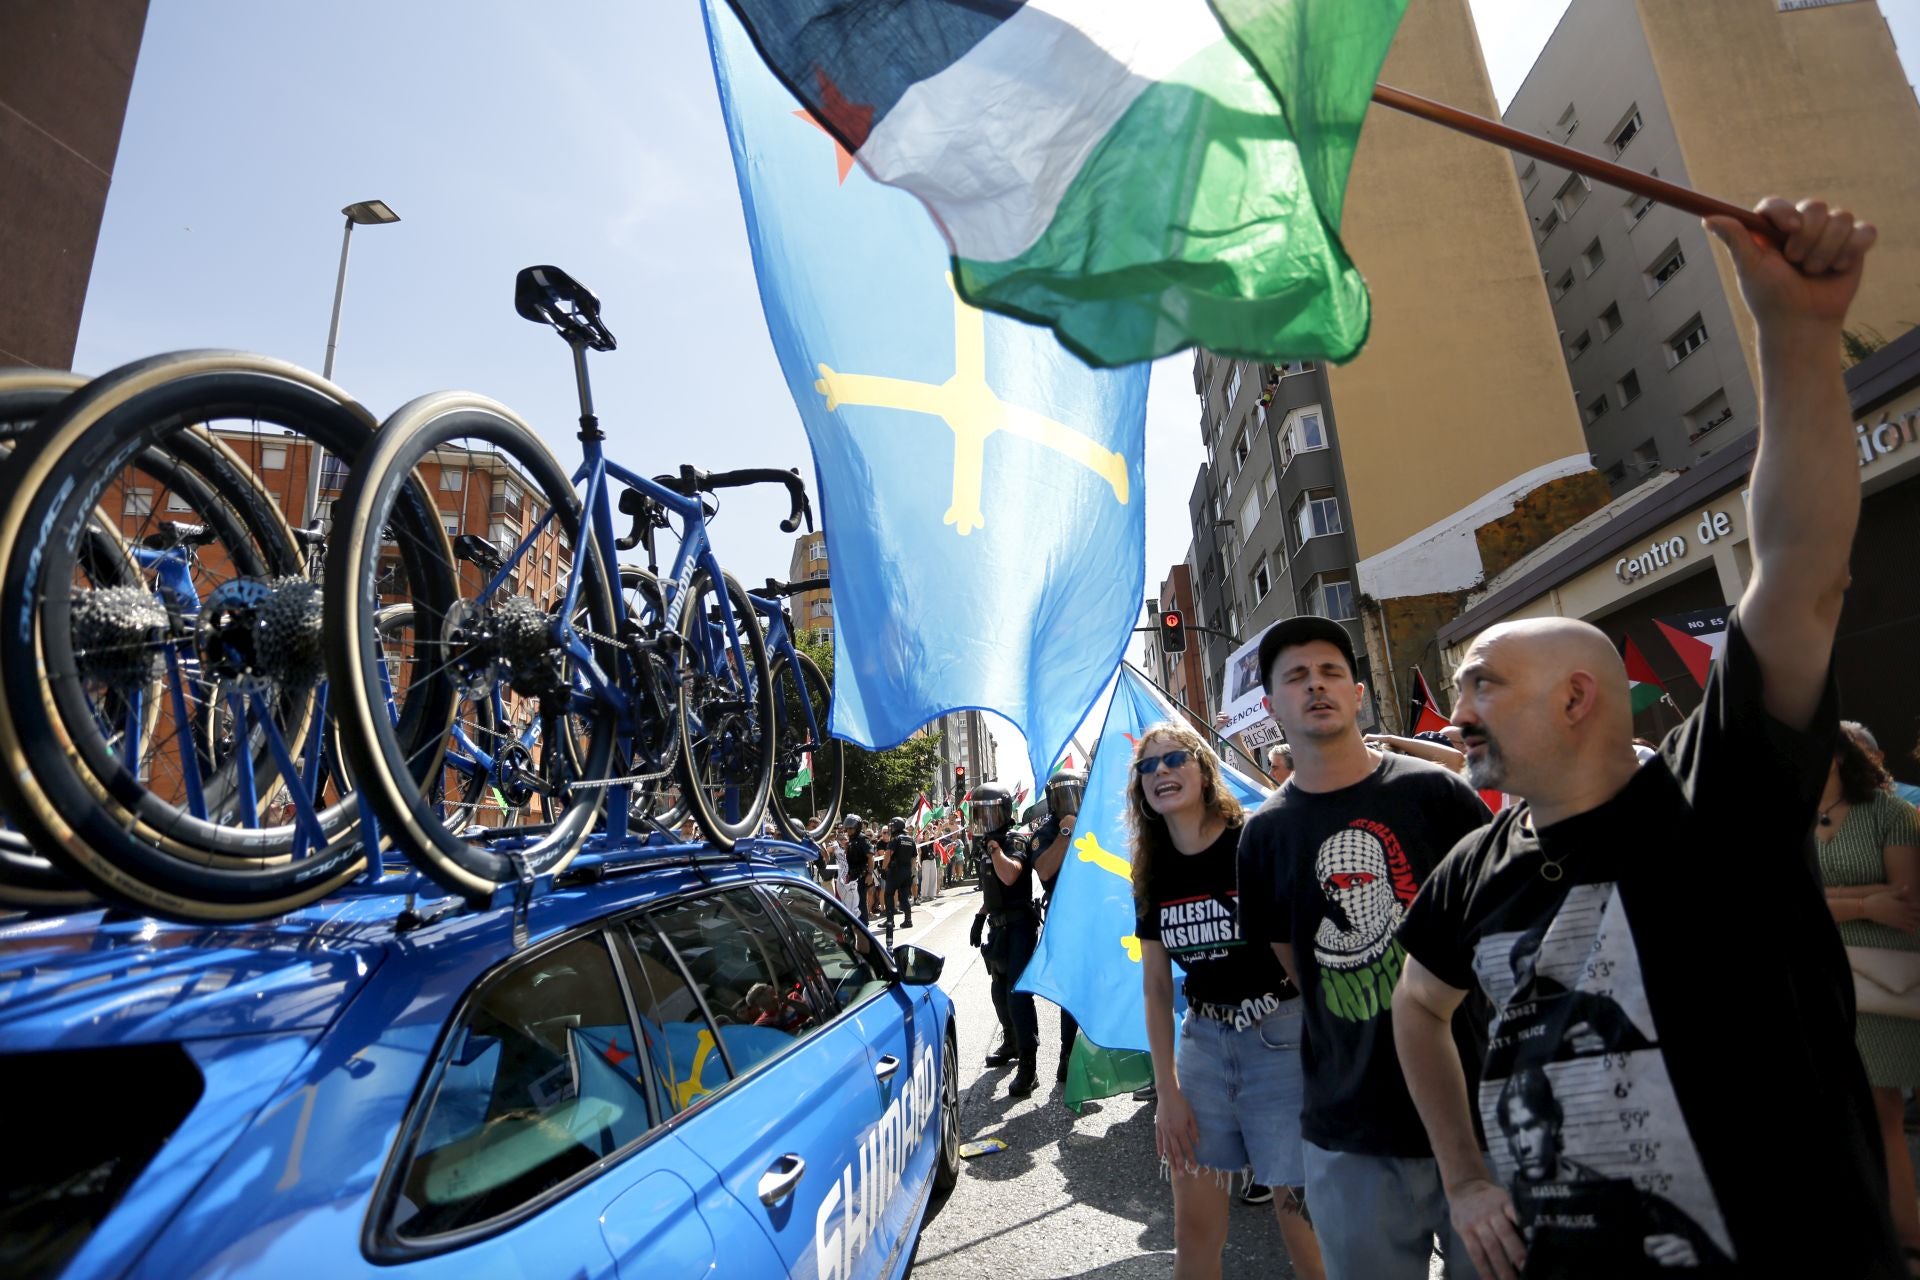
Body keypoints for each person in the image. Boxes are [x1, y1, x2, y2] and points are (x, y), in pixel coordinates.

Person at [1391, 197, 1901, 1280]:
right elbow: (1417, 1008)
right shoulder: (1471, 869)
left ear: (1581, 698)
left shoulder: (1718, 801)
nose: (1457, 709)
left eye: (1484, 682)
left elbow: (1802, 572)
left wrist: (1797, 334)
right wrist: (1468, 1173)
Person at [1236, 614, 1492, 1280]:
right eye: (1295, 677)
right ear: (1272, 708)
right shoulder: (1263, 837)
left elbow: (1498, 932)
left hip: (1481, 1120)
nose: (1315, 686)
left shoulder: (1437, 795)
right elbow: (1294, 963)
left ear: (1356, 693)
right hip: (1351, 1132)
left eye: (1330, 672)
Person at [1134, 723, 1325, 1280]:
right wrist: (1167, 1091)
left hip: (1281, 1039)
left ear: (1203, 768)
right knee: (1192, 1235)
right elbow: (1156, 984)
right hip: (1203, 1049)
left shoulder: (1252, 841)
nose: (1161, 772)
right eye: (1148, 767)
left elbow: (1298, 953)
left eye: (1174, 759)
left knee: (1305, 1227)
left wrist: (1328, 1053)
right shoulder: (1152, 870)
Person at [1820, 722, 1920, 1261]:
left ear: (1838, 757)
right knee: (1859, 1113)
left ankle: (1907, 1233)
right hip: (1824, 980)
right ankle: (1885, 1234)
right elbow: (1785, 902)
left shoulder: (1893, 814)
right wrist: (1864, 901)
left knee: (1889, 1110)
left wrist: (1826, 899)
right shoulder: (1785, 822)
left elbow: (1905, 901)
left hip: (1891, 981)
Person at [969, 781, 1041, 1096]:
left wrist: (996, 850)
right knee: (999, 992)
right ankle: (1011, 1043)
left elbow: (1010, 875)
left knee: (1017, 995)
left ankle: (1029, 1065)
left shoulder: (1014, 841)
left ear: (1004, 811)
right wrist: (979, 917)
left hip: (1020, 927)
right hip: (997, 929)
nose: (984, 819)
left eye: (989, 813)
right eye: (979, 813)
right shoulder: (986, 842)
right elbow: (993, 889)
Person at [1032, 769, 1087, 1084]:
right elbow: (1043, 869)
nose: (1070, 801)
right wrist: (1066, 833)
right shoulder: (1048, 831)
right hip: (1065, 914)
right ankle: (1068, 1053)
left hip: (1096, 912)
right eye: (1063, 795)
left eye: (1074, 792)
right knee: (1072, 989)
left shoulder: (1094, 821)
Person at [882, 816, 915, 931]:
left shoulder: (895, 839)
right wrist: (909, 870)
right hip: (906, 871)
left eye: (892, 826)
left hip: (895, 871)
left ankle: (890, 921)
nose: (891, 828)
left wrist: (883, 868)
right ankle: (908, 920)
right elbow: (913, 858)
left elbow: (888, 854)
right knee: (904, 897)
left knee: (889, 894)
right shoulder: (910, 839)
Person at [842, 814, 872, 924]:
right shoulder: (850, 840)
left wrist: (869, 874)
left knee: (861, 901)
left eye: (851, 828)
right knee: (852, 901)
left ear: (857, 827)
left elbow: (870, 857)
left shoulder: (862, 839)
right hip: (852, 875)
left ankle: (864, 924)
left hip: (861, 875)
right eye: (847, 828)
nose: (848, 830)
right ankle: (857, 923)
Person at [918, 822, 943, 905]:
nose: (928, 835)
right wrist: (920, 863)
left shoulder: (932, 840)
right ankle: (924, 895)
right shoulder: (921, 843)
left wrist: (939, 826)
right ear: (924, 835)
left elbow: (937, 834)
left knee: (933, 877)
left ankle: (931, 894)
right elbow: (920, 853)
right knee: (926, 878)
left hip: (932, 860)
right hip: (925, 861)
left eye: (929, 834)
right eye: (926, 834)